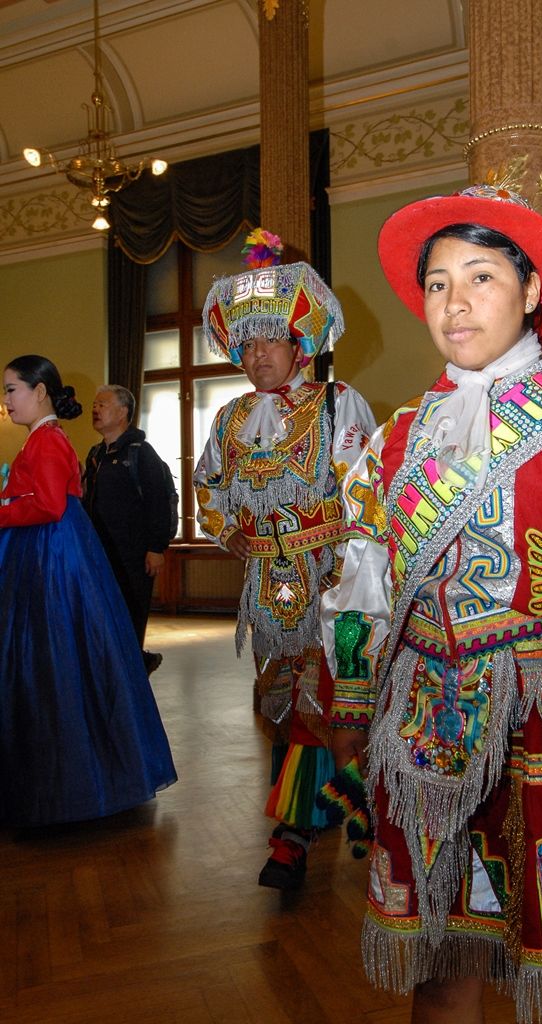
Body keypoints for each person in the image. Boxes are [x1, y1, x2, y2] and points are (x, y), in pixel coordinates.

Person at [321, 185, 542, 1023]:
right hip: (420, 730)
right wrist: (348, 691)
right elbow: (363, 573)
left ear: (530, 294)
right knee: (440, 960)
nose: (453, 302)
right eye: (437, 283)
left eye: (480, 277)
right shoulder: (401, 434)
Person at [194, 228, 376, 889]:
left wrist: (351, 571)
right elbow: (207, 486)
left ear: (299, 344)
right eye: (246, 343)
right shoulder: (230, 417)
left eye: (269, 339)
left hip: (336, 584)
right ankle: (314, 816)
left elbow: (368, 493)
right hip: (268, 589)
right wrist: (227, 533)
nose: (256, 354)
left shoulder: (336, 403)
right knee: (284, 704)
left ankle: (310, 832)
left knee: (330, 702)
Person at [0, 355, 177, 827]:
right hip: (49, 551)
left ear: (40, 392)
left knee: (58, 657)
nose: (7, 400)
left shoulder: (49, 439)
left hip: (53, 555)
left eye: (12, 389)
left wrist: (2, 508)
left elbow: (51, 504)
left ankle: (73, 778)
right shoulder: (48, 440)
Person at [83, 385, 171, 674]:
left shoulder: (141, 453)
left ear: (123, 412)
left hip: (134, 557)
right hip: (100, 556)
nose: (95, 408)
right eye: (95, 403)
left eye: (103, 404)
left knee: (130, 616)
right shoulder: (96, 455)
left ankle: (133, 671)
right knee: (103, 616)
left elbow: (158, 502)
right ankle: (113, 670)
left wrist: (156, 548)